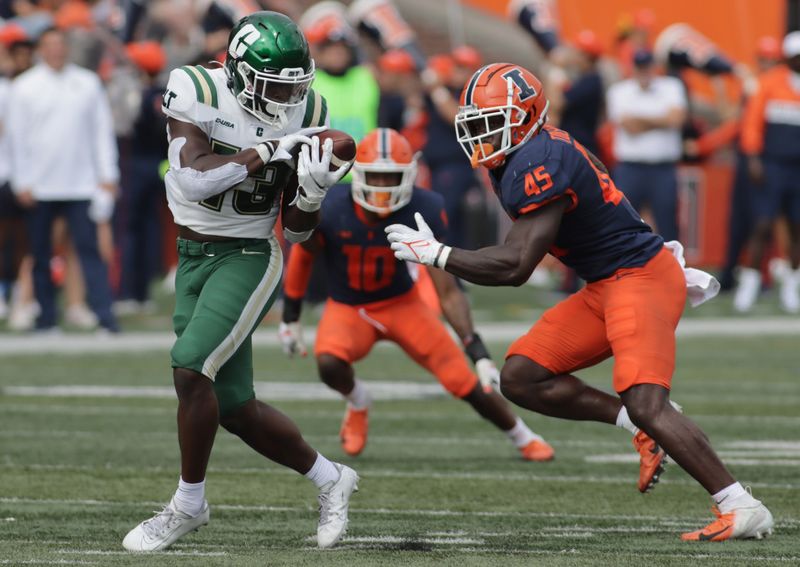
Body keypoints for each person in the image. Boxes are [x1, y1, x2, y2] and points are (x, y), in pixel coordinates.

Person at [385, 62, 774, 541]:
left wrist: (440, 255)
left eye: (493, 122)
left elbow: (516, 265)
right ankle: (637, 426)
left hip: (641, 278)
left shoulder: (539, 161)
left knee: (648, 399)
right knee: (521, 376)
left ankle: (740, 503)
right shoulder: (522, 153)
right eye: (477, 124)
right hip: (604, 284)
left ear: (526, 118)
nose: (482, 135)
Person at [121, 12, 356, 552]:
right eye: (274, 85)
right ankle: (330, 478)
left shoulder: (312, 109)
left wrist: (312, 193)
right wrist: (262, 153)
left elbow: (296, 233)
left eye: (295, 86)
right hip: (192, 253)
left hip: (248, 254)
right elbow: (192, 178)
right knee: (232, 407)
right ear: (240, 72)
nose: (286, 99)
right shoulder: (196, 86)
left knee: (190, 364)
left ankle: (188, 503)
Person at [279, 128, 554, 462]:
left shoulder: (424, 206)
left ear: (409, 175)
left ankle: (523, 436)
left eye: (391, 177)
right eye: (375, 178)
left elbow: (447, 289)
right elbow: (304, 256)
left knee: (464, 381)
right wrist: (290, 317)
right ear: (357, 175)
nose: (382, 189)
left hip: (403, 305)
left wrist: (478, 351)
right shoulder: (333, 205)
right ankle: (358, 400)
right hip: (349, 308)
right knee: (328, 363)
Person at [7, 26, 119, 333]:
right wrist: (22, 182)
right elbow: (16, 140)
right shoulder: (25, 87)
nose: (56, 50)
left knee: (90, 252)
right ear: (41, 49)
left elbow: (101, 132)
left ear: (67, 47)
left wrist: (108, 174)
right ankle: (46, 320)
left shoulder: (87, 83)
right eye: (50, 44)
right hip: (39, 187)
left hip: (81, 184)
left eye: (60, 44)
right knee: (41, 255)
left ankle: (105, 317)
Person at [734, 31, 800, 313]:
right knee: (762, 225)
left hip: (798, 168)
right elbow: (752, 124)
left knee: (797, 229)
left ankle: (791, 288)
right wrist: (753, 159)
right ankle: (748, 286)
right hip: (773, 163)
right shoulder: (770, 83)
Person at [606, 48, 687, 242]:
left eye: (647, 67)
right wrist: (661, 120)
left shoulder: (672, 86)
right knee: (623, 223)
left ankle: (673, 270)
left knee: (668, 223)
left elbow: (676, 120)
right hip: (630, 167)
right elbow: (629, 126)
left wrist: (641, 120)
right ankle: (625, 270)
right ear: (633, 68)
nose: (644, 72)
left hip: (663, 168)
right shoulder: (619, 91)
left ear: (654, 67)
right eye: (640, 67)